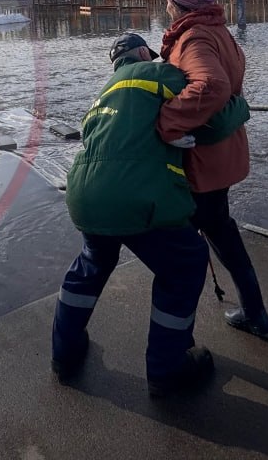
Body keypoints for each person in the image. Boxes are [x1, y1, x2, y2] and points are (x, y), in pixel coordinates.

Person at [52, 33, 249, 397]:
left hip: (84, 193)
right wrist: (241, 105)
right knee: (185, 264)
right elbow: (216, 120)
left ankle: (64, 354)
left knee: (91, 266)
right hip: (135, 193)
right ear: (144, 53)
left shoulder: (103, 93)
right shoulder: (159, 75)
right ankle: (167, 369)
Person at [157, 0, 268, 337]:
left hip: (203, 159)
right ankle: (253, 311)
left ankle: (176, 339)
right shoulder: (218, 31)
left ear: (175, 5)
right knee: (220, 231)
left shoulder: (194, 36)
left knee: (183, 246)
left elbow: (213, 84)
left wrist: (167, 122)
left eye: (168, 1)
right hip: (222, 153)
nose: (166, 7)